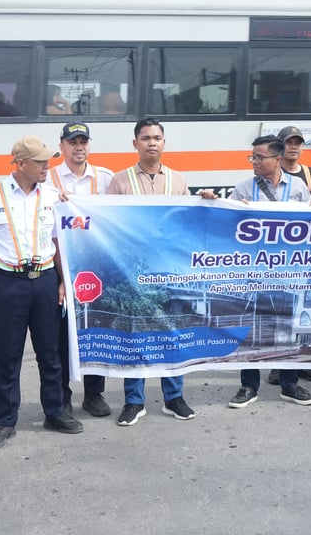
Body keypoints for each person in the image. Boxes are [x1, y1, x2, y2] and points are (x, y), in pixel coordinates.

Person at [0, 136, 84, 449]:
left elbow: (59, 241)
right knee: (8, 355)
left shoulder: (53, 196)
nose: (47, 167)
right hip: (10, 283)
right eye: (40, 162)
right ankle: (5, 420)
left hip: (45, 280)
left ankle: (55, 411)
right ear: (21, 164)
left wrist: (64, 281)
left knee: (50, 352)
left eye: (48, 161)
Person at [106, 118, 212, 426]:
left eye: (156, 137)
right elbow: (108, 224)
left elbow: (187, 222)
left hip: (169, 273)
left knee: (171, 333)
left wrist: (204, 202)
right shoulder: (120, 181)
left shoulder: (178, 181)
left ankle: (173, 398)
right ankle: (134, 401)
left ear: (164, 143)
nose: (151, 142)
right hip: (134, 273)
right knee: (135, 335)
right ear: (135, 143)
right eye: (145, 138)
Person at [226, 135, 311, 409]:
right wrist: (231, 211)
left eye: (259, 157)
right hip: (254, 274)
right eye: (252, 156)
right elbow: (226, 224)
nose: (254, 161)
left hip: (289, 274)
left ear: (278, 159)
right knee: (252, 331)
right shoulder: (244, 188)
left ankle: (289, 384)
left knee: (288, 329)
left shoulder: (298, 188)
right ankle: (249, 386)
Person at [42, 122, 115, 417]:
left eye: (83, 141)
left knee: (95, 329)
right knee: (60, 335)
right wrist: (62, 277)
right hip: (58, 264)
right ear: (62, 146)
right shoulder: (48, 180)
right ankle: (62, 396)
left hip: (96, 266)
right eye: (73, 142)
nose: (79, 147)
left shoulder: (105, 178)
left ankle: (94, 394)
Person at [266, 126, 311, 386]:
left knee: (303, 314)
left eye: (298, 142)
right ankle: (276, 366)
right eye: (288, 142)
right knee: (277, 315)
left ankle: (301, 363)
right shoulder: (268, 175)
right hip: (273, 261)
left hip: (302, 259)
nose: (294, 147)